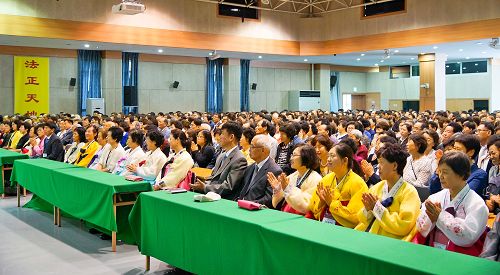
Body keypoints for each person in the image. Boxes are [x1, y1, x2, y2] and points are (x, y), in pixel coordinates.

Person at [414, 151, 489, 256]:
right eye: (439, 171)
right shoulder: (436, 197)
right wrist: (429, 218)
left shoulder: (477, 204)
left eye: (445, 172)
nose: (440, 176)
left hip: (460, 258)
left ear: (461, 174)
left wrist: (440, 216)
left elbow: (469, 237)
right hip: (433, 251)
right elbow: (419, 226)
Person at [355, 143, 421, 241]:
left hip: (391, 242)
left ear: (394, 166)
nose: (378, 167)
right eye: (378, 162)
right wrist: (368, 209)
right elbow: (361, 218)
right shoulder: (377, 187)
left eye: (382, 162)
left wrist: (377, 208)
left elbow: (404, 225)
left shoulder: (409, 192)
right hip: (369, 236)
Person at [308, 143, 368, 228]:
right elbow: (312, 209)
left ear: (345, 160)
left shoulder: (358, 183)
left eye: (332, 156)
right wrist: (322, 202)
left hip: (345, 231)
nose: (328, 159)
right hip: (323, 225)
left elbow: (356, 217)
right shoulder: (326, 179)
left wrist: (331, 203)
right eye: (328, 156)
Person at [191, 122, 248, 200]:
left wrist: (205, 187)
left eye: (222, 134)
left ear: (231, 137)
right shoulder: (221, 155)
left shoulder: (239, 159)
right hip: (211, 193)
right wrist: (203, 183)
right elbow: (213, 177)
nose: (219, 137)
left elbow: (229, 186)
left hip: (223, 199)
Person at [268, 144, 322, 215]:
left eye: (294, 155)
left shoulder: (315, 179)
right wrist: (277, 189)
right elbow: (275, 204)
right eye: (291, 155)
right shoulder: (292, 176)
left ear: (305, 157)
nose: (291, 158)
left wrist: (288, 189)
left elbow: (307, 206)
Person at [236, 135, 282, 207]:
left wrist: (249, 204)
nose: (249, 149)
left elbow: (269, 199)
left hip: (256, 210)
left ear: (263, 150)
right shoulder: (250, 168)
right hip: (242, 206)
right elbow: (242, 190)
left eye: (252, 146)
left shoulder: (275, 171)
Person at [453, 134, 488, 198]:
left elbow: (465, 195)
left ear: (471, 152)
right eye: (454, 148)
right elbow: (434, 189)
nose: (454, 152)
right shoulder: (451, 168)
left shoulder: (479, 174)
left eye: (458, 149)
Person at [485, 137, 500, 214]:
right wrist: (490, 198)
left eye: (493, 153)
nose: (491, 157)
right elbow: (488, 189)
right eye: (489, 154)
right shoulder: (492, 169)